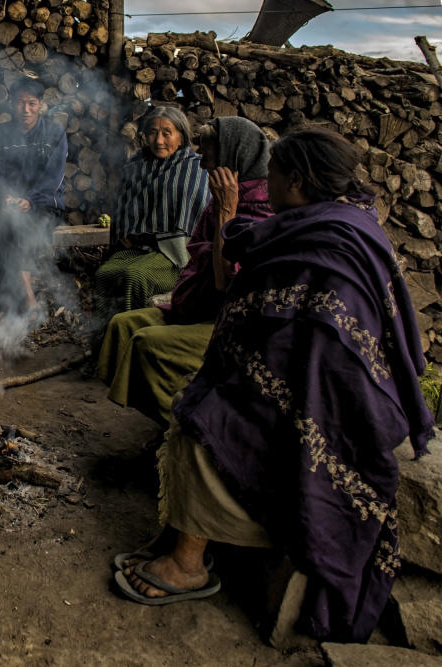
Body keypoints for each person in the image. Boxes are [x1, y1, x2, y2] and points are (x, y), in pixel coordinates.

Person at [114, 127, 435, 643]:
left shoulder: (331, 236)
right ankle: (177, 533)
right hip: (302, 376)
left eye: (278, 175)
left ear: (298, 181)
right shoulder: (327, 221)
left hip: (328, 400)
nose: (270, 182)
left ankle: (188, 563)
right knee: (199, 394)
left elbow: (318, 339)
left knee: (201, 419)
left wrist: (243, 368)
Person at [96, 117, 273, 426]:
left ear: (232, 158)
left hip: (231, 320)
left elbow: (225, 281)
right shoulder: (219, 195)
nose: (202, 164)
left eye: (207, 155)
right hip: (198, 302)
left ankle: (188, 428)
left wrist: (226, 213)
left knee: (146, 343)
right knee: (123, 325)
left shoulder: (261, 208)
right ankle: (165, 414)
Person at [91, 107, 211, 354]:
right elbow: (123, 206)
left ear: (182, 136)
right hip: (139, 247)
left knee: (136, 278)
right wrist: (126, 233)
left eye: (167, 133)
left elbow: (191, 217)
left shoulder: (195, 168)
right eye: (153, 132)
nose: (159, 140)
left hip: (178, 254)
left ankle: (130, 352)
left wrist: (152, 235)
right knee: (105, 274)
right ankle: (102, 351)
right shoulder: (136, 166)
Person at [0, 77, 68, 319]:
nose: (26, 110)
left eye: (32, 103)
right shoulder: (1, 133)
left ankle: (22, 297)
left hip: (44, 204)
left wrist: (31, 200)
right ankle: (26, 296)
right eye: (20, 103)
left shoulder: (55, 133)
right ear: (12, 104)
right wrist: (6, 196)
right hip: (9, 203)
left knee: (26, 225)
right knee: (8, 223)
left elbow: (54, 176)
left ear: (41, 104)